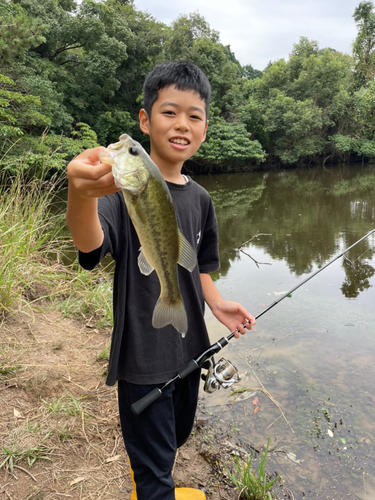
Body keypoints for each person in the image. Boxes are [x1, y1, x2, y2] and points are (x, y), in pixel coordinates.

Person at [66, 61, 255, 500]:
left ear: (206, 127)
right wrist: (80, 192)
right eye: (170, 112)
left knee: (175, 438)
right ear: (146, 120)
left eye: (194, 115)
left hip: (190, 347)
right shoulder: (123, 191)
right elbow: (90, 247)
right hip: (143, 358)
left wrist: (216, 302)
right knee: (154, 473)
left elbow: (197, 266)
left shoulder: (202, 199)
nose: (183, 124)